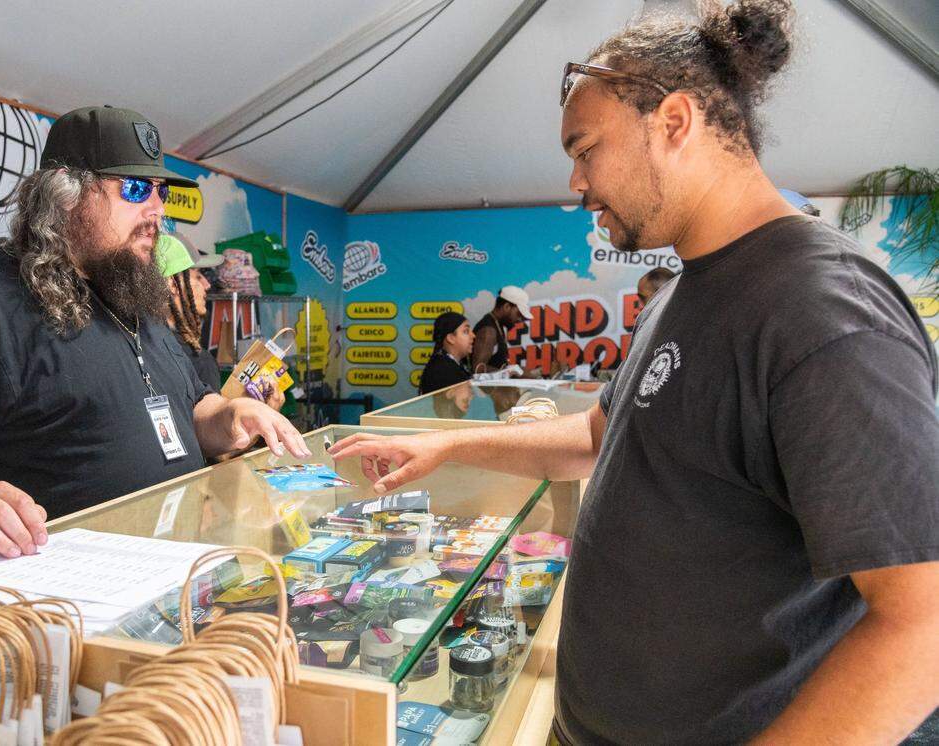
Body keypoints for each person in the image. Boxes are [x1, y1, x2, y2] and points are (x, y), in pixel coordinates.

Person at [330, 1, 939, 742]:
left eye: (585, 149)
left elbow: (921, 625)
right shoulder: (682, 289)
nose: (576, 182)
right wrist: (446, 447)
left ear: (675, 121)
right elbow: (596, 436)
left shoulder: (822, 313)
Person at [0, 105, 309, 560]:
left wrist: (231, 417)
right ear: (67, 196)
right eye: (135, 189)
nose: (157, 210)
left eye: (160, 193)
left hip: (169, 573)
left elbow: (193, 406)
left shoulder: (132, 292)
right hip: (53, 599)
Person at [158, 232, 286, 411]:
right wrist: (266, 411)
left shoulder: (146, 348)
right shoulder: (199, 361)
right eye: (197, 276)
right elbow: (215, 437)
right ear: (173, 284)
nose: (207, 285)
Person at [470, 286, 532, 372]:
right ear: (506, 307)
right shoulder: (488, 331)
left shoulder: (498, 325)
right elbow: (478, 369)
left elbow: (497, 365)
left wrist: (525, 373)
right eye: (519, 314)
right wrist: (508, 373)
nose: (520, 320)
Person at [418, 311, 474, 394]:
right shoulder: (442, 372)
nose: (473, 335)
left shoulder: (449, 364)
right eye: (466, 331)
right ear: (451, 338)